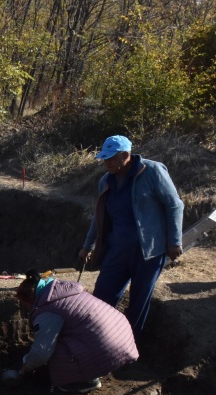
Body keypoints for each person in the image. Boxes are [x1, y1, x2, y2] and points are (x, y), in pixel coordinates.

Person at [79, 135, 184, 339]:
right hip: (117, 250)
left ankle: (129, 346)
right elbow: (99, 216)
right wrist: (88, 245)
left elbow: (174, 205)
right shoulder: (106, 181)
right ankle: (97, 340)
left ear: (125, 156)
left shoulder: (152, 172)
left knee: (138, 301)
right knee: (102, 296)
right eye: (104, 158)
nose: (105, 163)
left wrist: (174, 241)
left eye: (110, 159)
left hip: (149, 252)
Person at [2, 270, 139, 394]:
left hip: (106, 348)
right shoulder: (65, 292)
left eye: (25, 305)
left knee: (56, 349)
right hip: (123, 337)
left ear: (30, 299)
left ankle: (86, 381)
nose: (25, 309)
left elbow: (41, 353)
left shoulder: (48, 309)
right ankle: (96, 368)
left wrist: (23, 368)